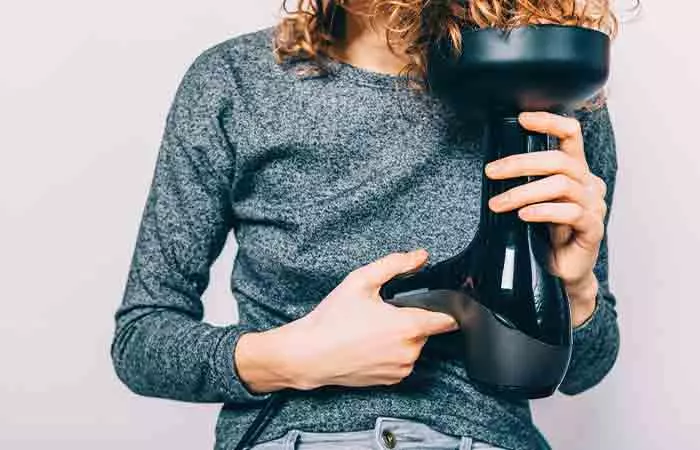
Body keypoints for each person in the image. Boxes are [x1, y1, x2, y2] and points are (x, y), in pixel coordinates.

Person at [110, 1, 621, 449]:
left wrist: (575, 291)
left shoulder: (541, 84)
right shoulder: (235, 82)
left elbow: (584, 370)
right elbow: (142, 338)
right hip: (293, 436)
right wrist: (296, 357)